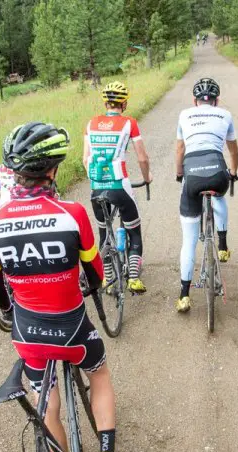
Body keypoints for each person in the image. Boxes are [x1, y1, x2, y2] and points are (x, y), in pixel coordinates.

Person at [0, 122, 130, 452]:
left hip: (29, 333)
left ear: (12, 171)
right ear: (53, 170)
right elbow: (95, 274)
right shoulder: (73, 213)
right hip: (73, 329)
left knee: (45, 399)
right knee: (98, 372)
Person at [174, 77, 238, 313]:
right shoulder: (225, 115)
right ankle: (222, 245)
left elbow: (180, 148)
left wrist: (179, 173)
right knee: (219, 196)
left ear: (194, 101)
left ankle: (184, 295)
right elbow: (233, 149)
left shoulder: (184, 115)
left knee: (189, 241)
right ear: (216, 100)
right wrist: (233, 172)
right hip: (217, 171)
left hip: (192, 173)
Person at [83, 81, 152, 294]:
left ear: (106, 102)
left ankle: (108, 278)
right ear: (124, 103)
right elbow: (142, 157)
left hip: (96, 188)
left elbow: (85, 159)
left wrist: (96, 180)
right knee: (134, 229)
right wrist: (147, 177)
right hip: (119, 185)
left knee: (103, 233)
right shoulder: (129, 123)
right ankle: (133, 278)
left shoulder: (91, 123)